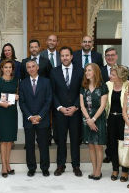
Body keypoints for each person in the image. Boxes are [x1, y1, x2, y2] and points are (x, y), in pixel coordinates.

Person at [50, 47, 83, 177]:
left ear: (71, 56)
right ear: (60, 57)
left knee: (75, 139)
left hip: (75, 112)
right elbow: (52, 92)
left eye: (67, 55)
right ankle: (60, 165)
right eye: (62, 56)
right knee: (60, 140)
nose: (65, 58)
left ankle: (76, 166)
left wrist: (75, 106)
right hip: (60, 112)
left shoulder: (80, 71)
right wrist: (60, 107)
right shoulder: (54, 72)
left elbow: (82, 90)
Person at [19, 60, 52, 177]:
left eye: (33, 66)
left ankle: (45, 168)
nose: (31, 69)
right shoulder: (22, 83)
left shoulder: (46, 82)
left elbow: (48, 101)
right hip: (28, 120)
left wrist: (39, 116)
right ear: (26, 70)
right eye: (29, 67)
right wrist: (30, 116)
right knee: (29, 145)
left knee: (43, 145)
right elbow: (22, 103)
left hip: (42, 119)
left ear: (37, 67)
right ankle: (31, 168)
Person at [0, 59, 19, 177]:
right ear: (1, 69)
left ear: (12, 69)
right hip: (2, 112)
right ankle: (3, 166)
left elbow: (16, 95)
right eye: (6, 67)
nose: (8, 69)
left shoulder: (16, 81)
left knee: (10, 140)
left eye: (10, 67)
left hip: (12, 112)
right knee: (4, 140)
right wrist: (1, 104)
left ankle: (8, 165)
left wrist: (17, 96)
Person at [80, 63, 108, 180]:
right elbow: (82, 105)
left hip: (99, 119)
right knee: (91, 146)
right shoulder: (83, 87)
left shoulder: (103, 87)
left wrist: (93, 120)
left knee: (98, 146)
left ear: (95, 72)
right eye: (86, 71)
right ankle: (93, 169)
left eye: (89, 70)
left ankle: (98, 171)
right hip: (87, 119)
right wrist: (88, 120)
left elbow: (103, 106)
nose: (87, 73)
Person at [105, 65, 129, 182]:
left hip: (124, 119)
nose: (110, 76)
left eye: (113, 75)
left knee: (125, 145)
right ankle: (115, 169)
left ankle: (125, 170)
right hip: (111, 119)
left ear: (120, 76)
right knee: (112, 144)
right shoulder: (108, 85)